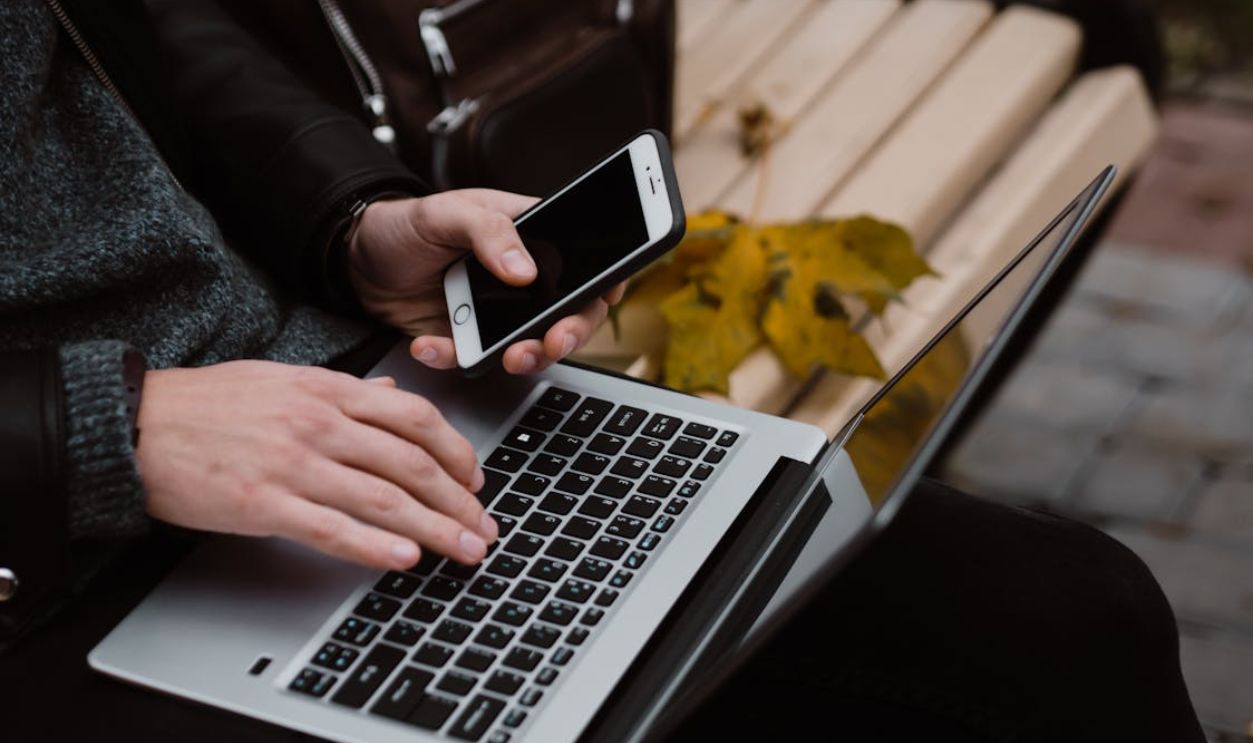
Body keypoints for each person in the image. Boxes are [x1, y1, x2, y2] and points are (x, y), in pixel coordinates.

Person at [0, 1, 1206, 741]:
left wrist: (351, 220)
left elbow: (140, 29)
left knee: (1071, 612)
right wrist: (103, 427)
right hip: (59, 566)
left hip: (338, 388)